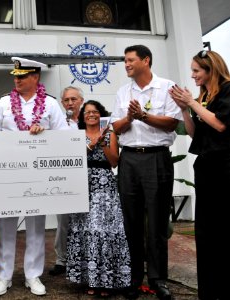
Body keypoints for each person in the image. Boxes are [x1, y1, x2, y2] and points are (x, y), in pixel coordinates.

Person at [0, 57, 69, 296]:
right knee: (5, 224)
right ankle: (4, 276)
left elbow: (63, 136)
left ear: (35, 77)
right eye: (15, 76)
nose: (16, 80)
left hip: (38, 174)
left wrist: (46, 133)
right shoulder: (4, 102)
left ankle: (33, 275)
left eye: (21, 76)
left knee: (35, 226)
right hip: (9, 172)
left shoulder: (50, 105)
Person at [111, 45, 182, 300]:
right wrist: (130, 118)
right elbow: (116, 128)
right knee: (131, 222)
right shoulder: (122, 91)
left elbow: (172, 123)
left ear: (146, 60)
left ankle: (157, 278)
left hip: (156, 158)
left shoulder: (167, 87)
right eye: (125, 60)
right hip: (129, 159)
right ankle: (134, 278)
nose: (126, 64)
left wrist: (143, 115)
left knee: (157, 221)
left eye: (130, 60)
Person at [168, 50, 230, 300]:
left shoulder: (227, 90)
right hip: (206, 168)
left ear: (210, 70)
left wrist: (192, 103)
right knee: (205, 232)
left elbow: (220, 124)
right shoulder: (205, 96)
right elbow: (196, 134)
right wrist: (185, 109)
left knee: (224, 230)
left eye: (196, 70)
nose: (192, 75)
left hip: (225, 169)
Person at [66, 100, 131, 297]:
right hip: (82, 186)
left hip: (104, 188)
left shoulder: (110, 134)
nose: (91, 115)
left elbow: (113, 162)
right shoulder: (76, 135)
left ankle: (107, 280)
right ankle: (90, 279)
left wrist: (103, 144)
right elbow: (73, 159)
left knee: (102, 230)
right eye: (87, 112)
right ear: (82, 116)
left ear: (101, 115)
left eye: (95, 112)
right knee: (85, 230)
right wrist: (91, 144)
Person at [48, 86, 84, 277]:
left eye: (74, 99)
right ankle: (62, 260)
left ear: (81, 101)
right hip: (65, 176)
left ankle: (84, 258)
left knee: (86, 220)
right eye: (66, 100)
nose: (70, 103)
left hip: (87, 174)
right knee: (63, 220)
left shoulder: (91, 119)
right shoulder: (58, 122)